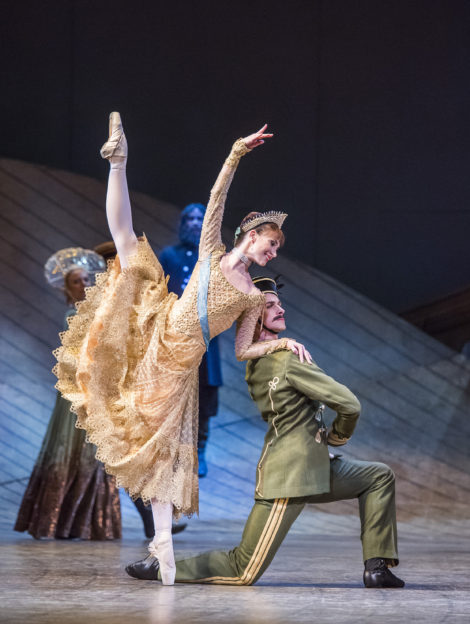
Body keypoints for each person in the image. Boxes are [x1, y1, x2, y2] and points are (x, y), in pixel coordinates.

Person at [54, 113, 310, 584]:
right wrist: (236, 152)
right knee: (127, 245)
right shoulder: (212, 250)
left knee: (163, 455)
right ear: (251, 235)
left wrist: (282, 344)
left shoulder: (253, 296)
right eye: (270, 244)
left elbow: (241, 350)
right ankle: (119, 161)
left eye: (275, 250)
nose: (272, 253)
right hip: (156, 326)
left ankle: (162, 551)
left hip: (178, 367)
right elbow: (217, 197)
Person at [126, 276, 405, 588]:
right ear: (252, 319)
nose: (280, 309)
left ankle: (376, 568)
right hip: (289, 476)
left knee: (378, 476)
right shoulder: (286, 359)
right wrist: (337, 437)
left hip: (310, 466)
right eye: (270, 306)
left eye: (279, 303)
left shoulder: (256, 365)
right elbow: (350, 404)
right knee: (242, 569)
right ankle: (163, 568)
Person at [15, 248, 122, 540]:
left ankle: (80, 523)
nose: (85, 284)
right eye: (77, 281)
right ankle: (64, 521)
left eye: (88, 279)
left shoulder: (97, 310)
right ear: (68, 287)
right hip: (78, 394)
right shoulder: (75, 314)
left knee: (94, 453)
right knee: (77, 451)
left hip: (94, 391)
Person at [159, 203, 223, 477]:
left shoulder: (214, 257)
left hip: (206, 338)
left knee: (205, 393)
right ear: (182, 222)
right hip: (175, 338)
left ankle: (200, 451)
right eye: (190, 218)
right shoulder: (168, 255)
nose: (195, 223)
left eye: (200, 218)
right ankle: (171, 450)